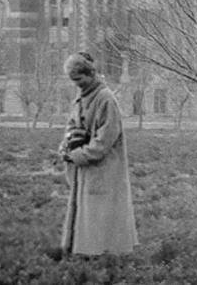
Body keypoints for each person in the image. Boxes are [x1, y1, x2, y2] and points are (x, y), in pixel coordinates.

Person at [58, 52, 138, 256]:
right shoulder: (81, 98)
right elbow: (72, 126)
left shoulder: (106, 99)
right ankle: (85, 254)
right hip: (86, 167)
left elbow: (104, 141)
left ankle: (106, 258)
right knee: (87, 212)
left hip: (105, 167)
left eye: (79, 79)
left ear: (91, 74)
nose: (77, 84)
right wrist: (66, 145)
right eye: (73, 80)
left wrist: (78, 155)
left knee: (102, 214)